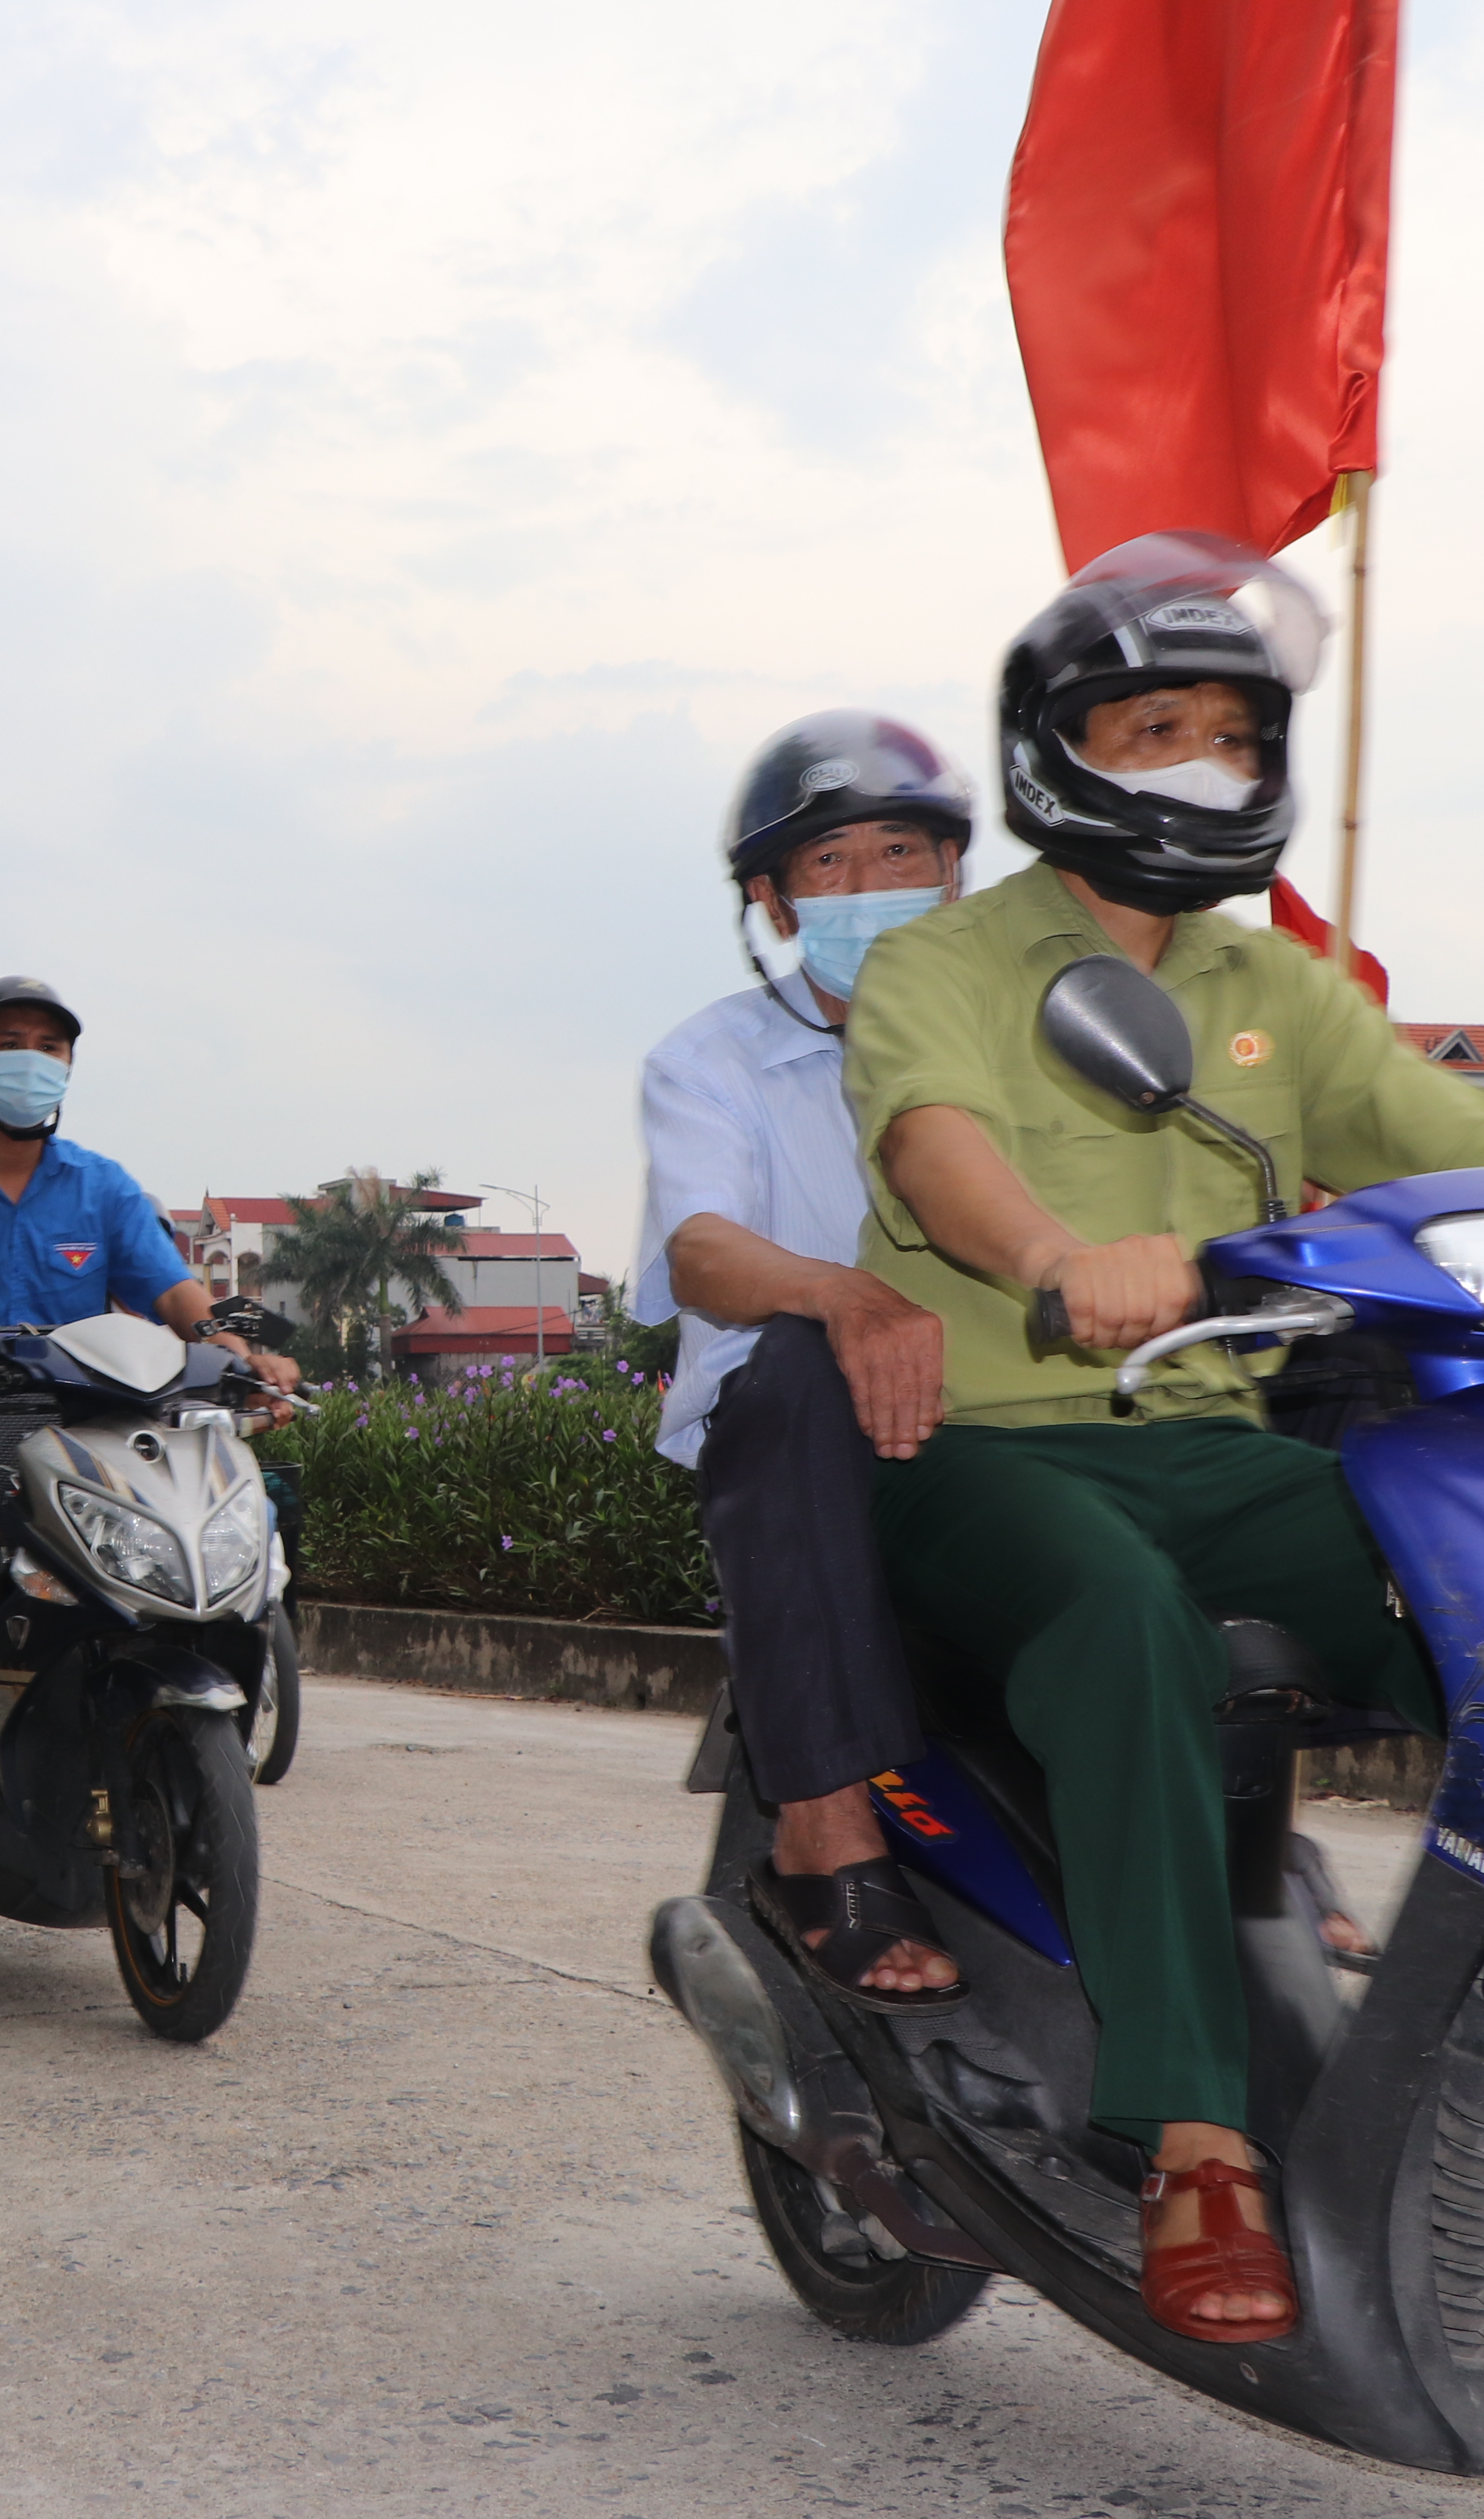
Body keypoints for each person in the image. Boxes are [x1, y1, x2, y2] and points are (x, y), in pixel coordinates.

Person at [841, 528, 1484, 2345]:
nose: (1201, 764)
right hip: (993, 1445)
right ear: (1062, 749)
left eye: (1230, 731)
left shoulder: (1269, 987)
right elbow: (937, 1145)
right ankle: (1197, 2132)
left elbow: (1452, 1137)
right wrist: (1061, 1257)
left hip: (1218, 1447)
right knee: (1126, 1631)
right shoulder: (952, 961)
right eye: (1156, 729)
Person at [632, 710, 970, 2010]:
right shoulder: (710, 1059)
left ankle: (1255, 1834)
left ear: (955, 876)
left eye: (902, 851)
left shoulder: (1027, 1039)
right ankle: (823, 1830)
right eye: (830, 865)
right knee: (794, 1362)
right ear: (770, 901)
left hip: (987, 1417)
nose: (871, 888)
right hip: (799, 1434)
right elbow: (707, 1254)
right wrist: (846, 1297)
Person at [0, 976, 302, 1871]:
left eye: (51, 1046)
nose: (31, 1060)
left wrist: (233, 1349)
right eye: (11, 1042)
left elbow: (173, 1291)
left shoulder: (101, 1186)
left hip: (86, 1437)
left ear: (71, 1067)